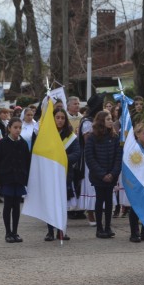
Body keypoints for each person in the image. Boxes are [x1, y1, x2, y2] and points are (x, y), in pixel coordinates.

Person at [43, 107, 81, 242]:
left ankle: (61, 230)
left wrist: (63, 159)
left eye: (62, 118)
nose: (60, 120)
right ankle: (49, 231)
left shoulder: (70, 136)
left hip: (65, 173)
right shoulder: (46, 134)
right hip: (50, 173)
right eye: (57, 117)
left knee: (62, 203)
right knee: (50, 203)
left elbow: (76, 153)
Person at [85, 110, 123, 239]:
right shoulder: (92, 137)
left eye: (111, 119)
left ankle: (108, 227)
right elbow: (90, 158)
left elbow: (118, 157)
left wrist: (113, 173)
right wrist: (102, 174)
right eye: (108, 119)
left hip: (111, 175)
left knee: (109, 201)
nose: (111, 121)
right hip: (98, 177)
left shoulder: (115, 137)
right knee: (100, 200)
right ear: (101, 121)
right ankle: (99, 228)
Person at [0, 117, 30, 242]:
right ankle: (8, 232)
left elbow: (27, 161)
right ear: (9, 128)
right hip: (7, 178)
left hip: (19, 178)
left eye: (20, 128)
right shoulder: (3, 143)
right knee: (8, 205)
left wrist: (26, 177)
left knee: (17, 206)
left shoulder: (23, 143)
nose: (18, 130)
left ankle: (15, 232)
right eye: (15, 127)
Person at [77, 93, 104, 225]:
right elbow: (89, 142)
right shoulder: (87, 122)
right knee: (90, 184)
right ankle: (91, 212)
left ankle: (98, 211)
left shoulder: (98, 119)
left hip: (101, 156)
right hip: (91, 157)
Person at [128, 122, 144, 243]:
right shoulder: (134, 148)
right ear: (137, 134)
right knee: (135, 207)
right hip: (137, 181)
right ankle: (134, 232)